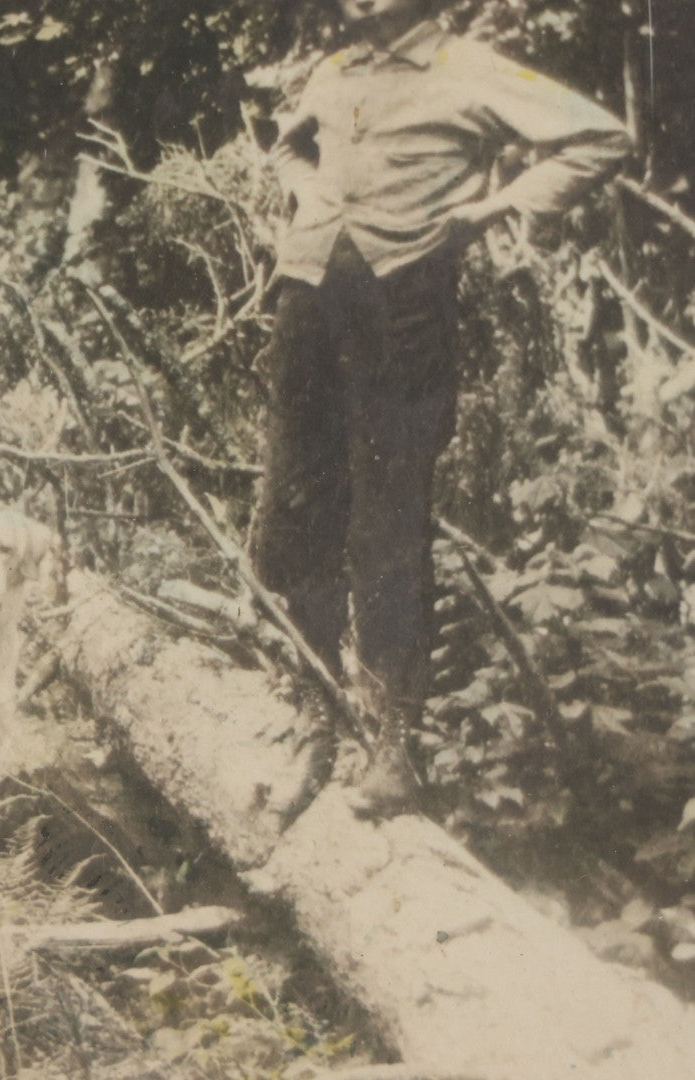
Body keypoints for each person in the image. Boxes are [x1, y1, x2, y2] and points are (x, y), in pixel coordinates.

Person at [249, 0, 629, 816]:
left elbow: (600, 136)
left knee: (387, 525)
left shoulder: (471, 70)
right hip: (306, 304)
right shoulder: (335, 69)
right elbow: (287, 142)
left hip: (404, 309)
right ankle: (315, 717)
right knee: (289, 519)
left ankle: (393, 750)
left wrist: (494, 207)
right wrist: (308, 198)